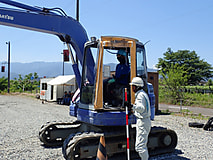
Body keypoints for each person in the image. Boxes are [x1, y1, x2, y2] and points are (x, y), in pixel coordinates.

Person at [129, 77, 151, 160]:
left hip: (143, 121)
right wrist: (133, 111)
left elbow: (141, 108)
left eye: (133, 86)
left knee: (140, 147)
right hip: (143, 120)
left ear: (136, 87)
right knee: (141, 146)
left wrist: (133, 106)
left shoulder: (140, 95)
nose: (132, 88)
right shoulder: (142, 94)